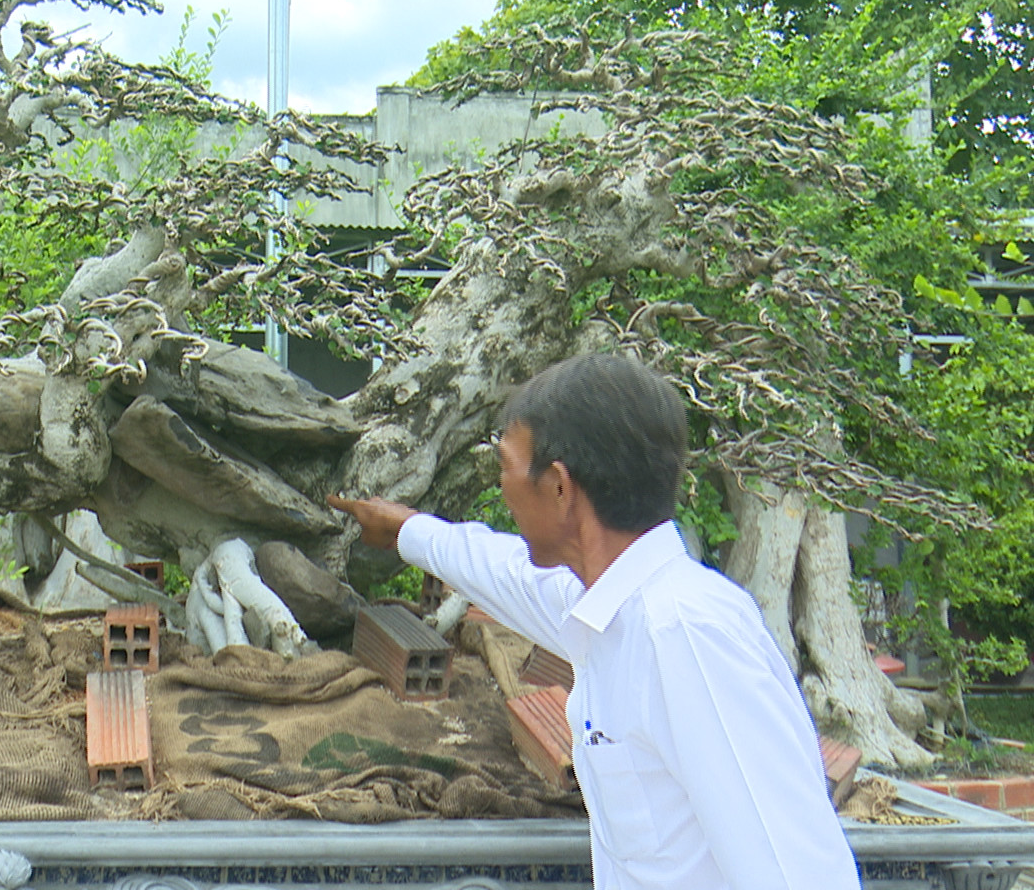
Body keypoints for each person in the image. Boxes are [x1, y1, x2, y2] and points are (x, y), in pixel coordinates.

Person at [328, 353, 858, 890]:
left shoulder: (684, 635)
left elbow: (797, 874)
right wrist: (407, 530)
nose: (501, 487)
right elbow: (505, 573)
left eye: (506, 466)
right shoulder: (607, 609)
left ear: (559, 486)